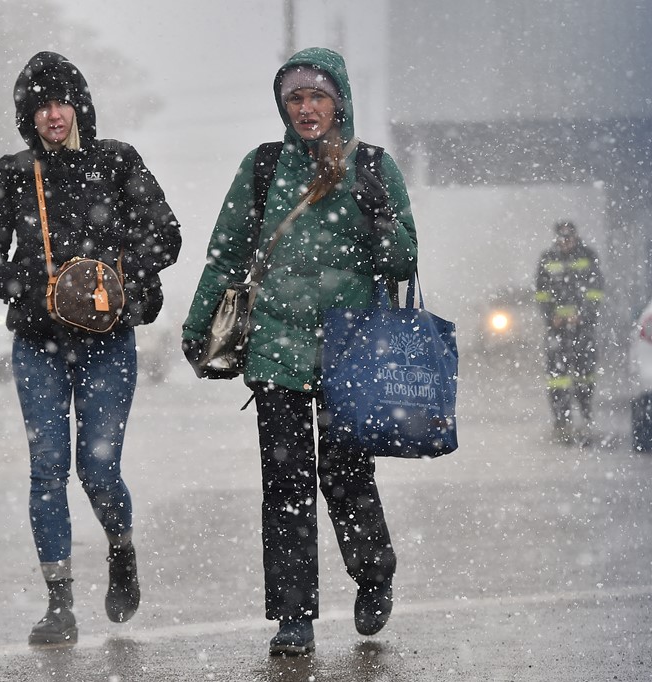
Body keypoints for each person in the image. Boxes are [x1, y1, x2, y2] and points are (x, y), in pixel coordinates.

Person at [181, 47, 418, 656]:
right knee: (285, 487)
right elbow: (226, 252)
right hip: (276, 351)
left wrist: (381, 221)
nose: (307, 108)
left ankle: (373, 575)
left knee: (347, 478)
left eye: (317, 95)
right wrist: (199, 319)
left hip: (351, 352)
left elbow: (404, 261)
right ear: (283, 107)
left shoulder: (373, 168)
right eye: (295, 98)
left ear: (338, 99)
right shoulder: (262, 168)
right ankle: (294, 616)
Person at [0, 51, 181, 646]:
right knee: (47, 471)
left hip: (107, 345)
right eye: (38, 107)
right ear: (26, 118)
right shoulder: (13, 173)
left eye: (59, 102)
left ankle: (121, 548)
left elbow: (167, 235)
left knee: (99, 469)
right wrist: (30, 287)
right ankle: (59, 603)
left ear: (79, 105)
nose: (51, 115)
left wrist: (110, 274)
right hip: (38, 346)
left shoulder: (117, 162)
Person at [534, 220, 604, 444]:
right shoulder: (548, 259)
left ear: (575, 236)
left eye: (569, 237)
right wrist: (550, 316)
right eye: (562, 238)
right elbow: (541, 293)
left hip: (583, 329)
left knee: (584, 375)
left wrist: (583, 314)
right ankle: (562, 421)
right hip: (557, 330)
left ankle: (585, 417)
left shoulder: (588, 256)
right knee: (557, 378)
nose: (566, 242)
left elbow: (596, 291)